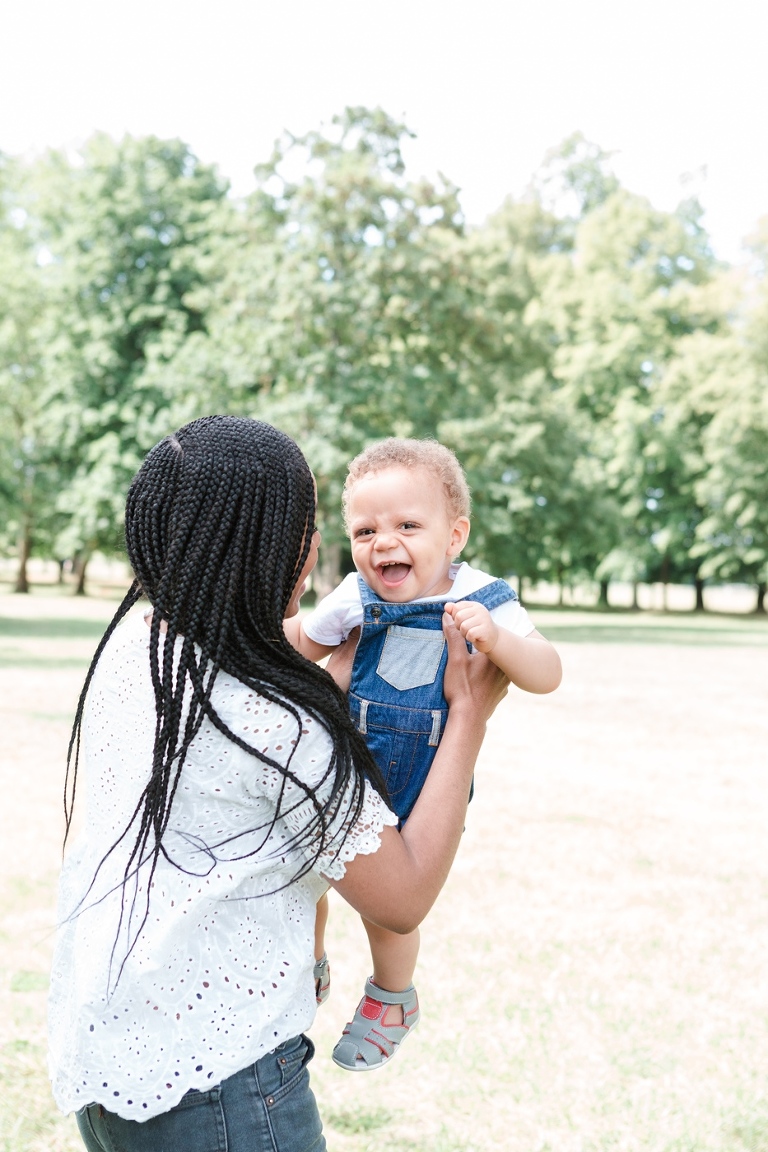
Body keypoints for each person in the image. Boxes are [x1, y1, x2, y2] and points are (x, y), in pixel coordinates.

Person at [48, 416, 509, 1152]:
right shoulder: (279, 720)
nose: (320, 548)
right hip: (224, 1090)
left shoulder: (138, 652)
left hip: (105, 1057)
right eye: (309, 524)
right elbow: (402, 895)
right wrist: (469, 715)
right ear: (273, 543)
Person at [286, 438, 561, 1072]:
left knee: (389, 909)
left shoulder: (486, 599)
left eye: (408, 525)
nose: (384, 542)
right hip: (349, 766)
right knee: (301, 873)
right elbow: (301, 646)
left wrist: (499, 641)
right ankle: (310, 956)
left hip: (423, 782)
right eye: (365, 529)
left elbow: (547, 672)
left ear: (455, 534)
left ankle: (390, 996)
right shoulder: (356, 596)